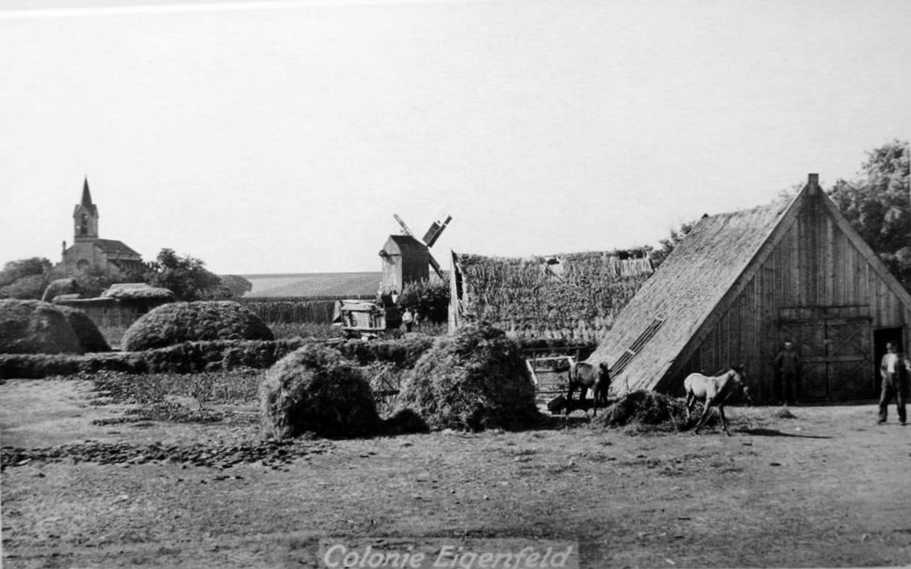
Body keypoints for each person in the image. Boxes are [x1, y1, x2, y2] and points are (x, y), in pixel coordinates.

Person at [878, 342, 908, 425]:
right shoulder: (885, 357)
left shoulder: (902, 356)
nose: (889, 350)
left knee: (900, 402)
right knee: (883, 400)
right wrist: (884, 375)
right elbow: (882, 368)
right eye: (888, 348)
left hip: (899, 382)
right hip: (887, 381)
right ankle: (882, 418)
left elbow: (907, 364)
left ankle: (902, 419)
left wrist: (908, 367)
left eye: (891, 348)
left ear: (895, 347)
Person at [773, 340, 800, 405]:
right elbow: (776, 361)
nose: (788, 347)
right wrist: (780, 368)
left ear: (791, 346)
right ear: (785, 346)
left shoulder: (794, 353)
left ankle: (795, 400)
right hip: (784, 372)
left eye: (789, 346)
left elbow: (798, 361)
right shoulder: (782, 353)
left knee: (793, 387)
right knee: (784, 387)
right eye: (787, 346)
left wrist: (795, 367)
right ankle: (784, 401)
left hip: (792, 372)